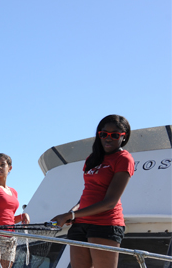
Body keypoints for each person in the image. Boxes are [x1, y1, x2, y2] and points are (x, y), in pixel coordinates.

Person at [51, 114, 133, 268]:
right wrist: (72, 211)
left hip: (105, 224)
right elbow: (88, 192)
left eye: (115, 135)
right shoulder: (92, 159)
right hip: (80, 224)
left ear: (124, 137)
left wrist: (70, 215)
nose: (108, 138)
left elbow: (110, 202)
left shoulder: (124, 159)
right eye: (104, 134)